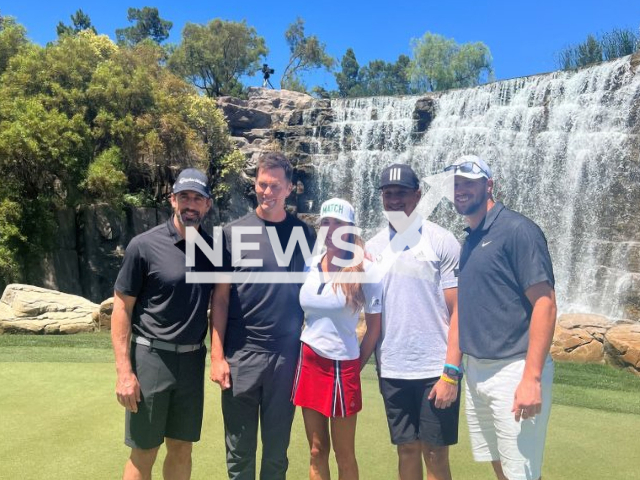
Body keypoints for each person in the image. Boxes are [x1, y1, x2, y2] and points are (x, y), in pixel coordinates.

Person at [445, 155, 557, 480]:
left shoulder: (518, 230)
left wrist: (531, 378)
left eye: (469, 182)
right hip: (477, 370)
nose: (461, 189)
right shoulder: (470, 240)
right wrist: (453, 370)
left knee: (521, 472)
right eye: (456, 184)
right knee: (500, 466)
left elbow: (545, 304)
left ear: (489, 185)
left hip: (514, 369)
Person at [210, 152, 316, 480]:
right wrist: (217, 356)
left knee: (276, 454)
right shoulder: (229, 234)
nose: (266, 192)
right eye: (261, 184)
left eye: (274, 186)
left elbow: (326, 280)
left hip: (286, 358)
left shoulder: (305, 235)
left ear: (289, 189)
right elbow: (220, 299)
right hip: (240, 356)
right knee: (239, 454)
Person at [111, 168, 215, 480]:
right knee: (144, 450)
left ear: (207, 205)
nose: (190, 204)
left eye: (197, 198)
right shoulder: (143, 246)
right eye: (184, 197)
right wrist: (124, 372)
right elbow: (121, 307)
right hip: (151, 359)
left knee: (182, 447)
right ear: (172, 200)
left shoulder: (214, 250)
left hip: (193, 360)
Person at [363, 163, 462, 480]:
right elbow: (371, 314)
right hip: (392, 368)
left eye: (401, 194)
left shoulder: (442, 241)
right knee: (406, 451)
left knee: (435, 454)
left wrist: (451, 372)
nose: (394, 200)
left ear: (417, 196)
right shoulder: (372, 248)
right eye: (388, 194)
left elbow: (458, 311)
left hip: (435, 369)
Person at [292, 198, 383, 480]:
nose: (331, 229)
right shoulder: (309, 264)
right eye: (326, 223)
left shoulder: (366, 270)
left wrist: (356, 365)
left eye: (338, 223)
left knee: (345, 455)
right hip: (308, 361)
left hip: (343, 366)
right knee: (317, 450)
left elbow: (375, 329)